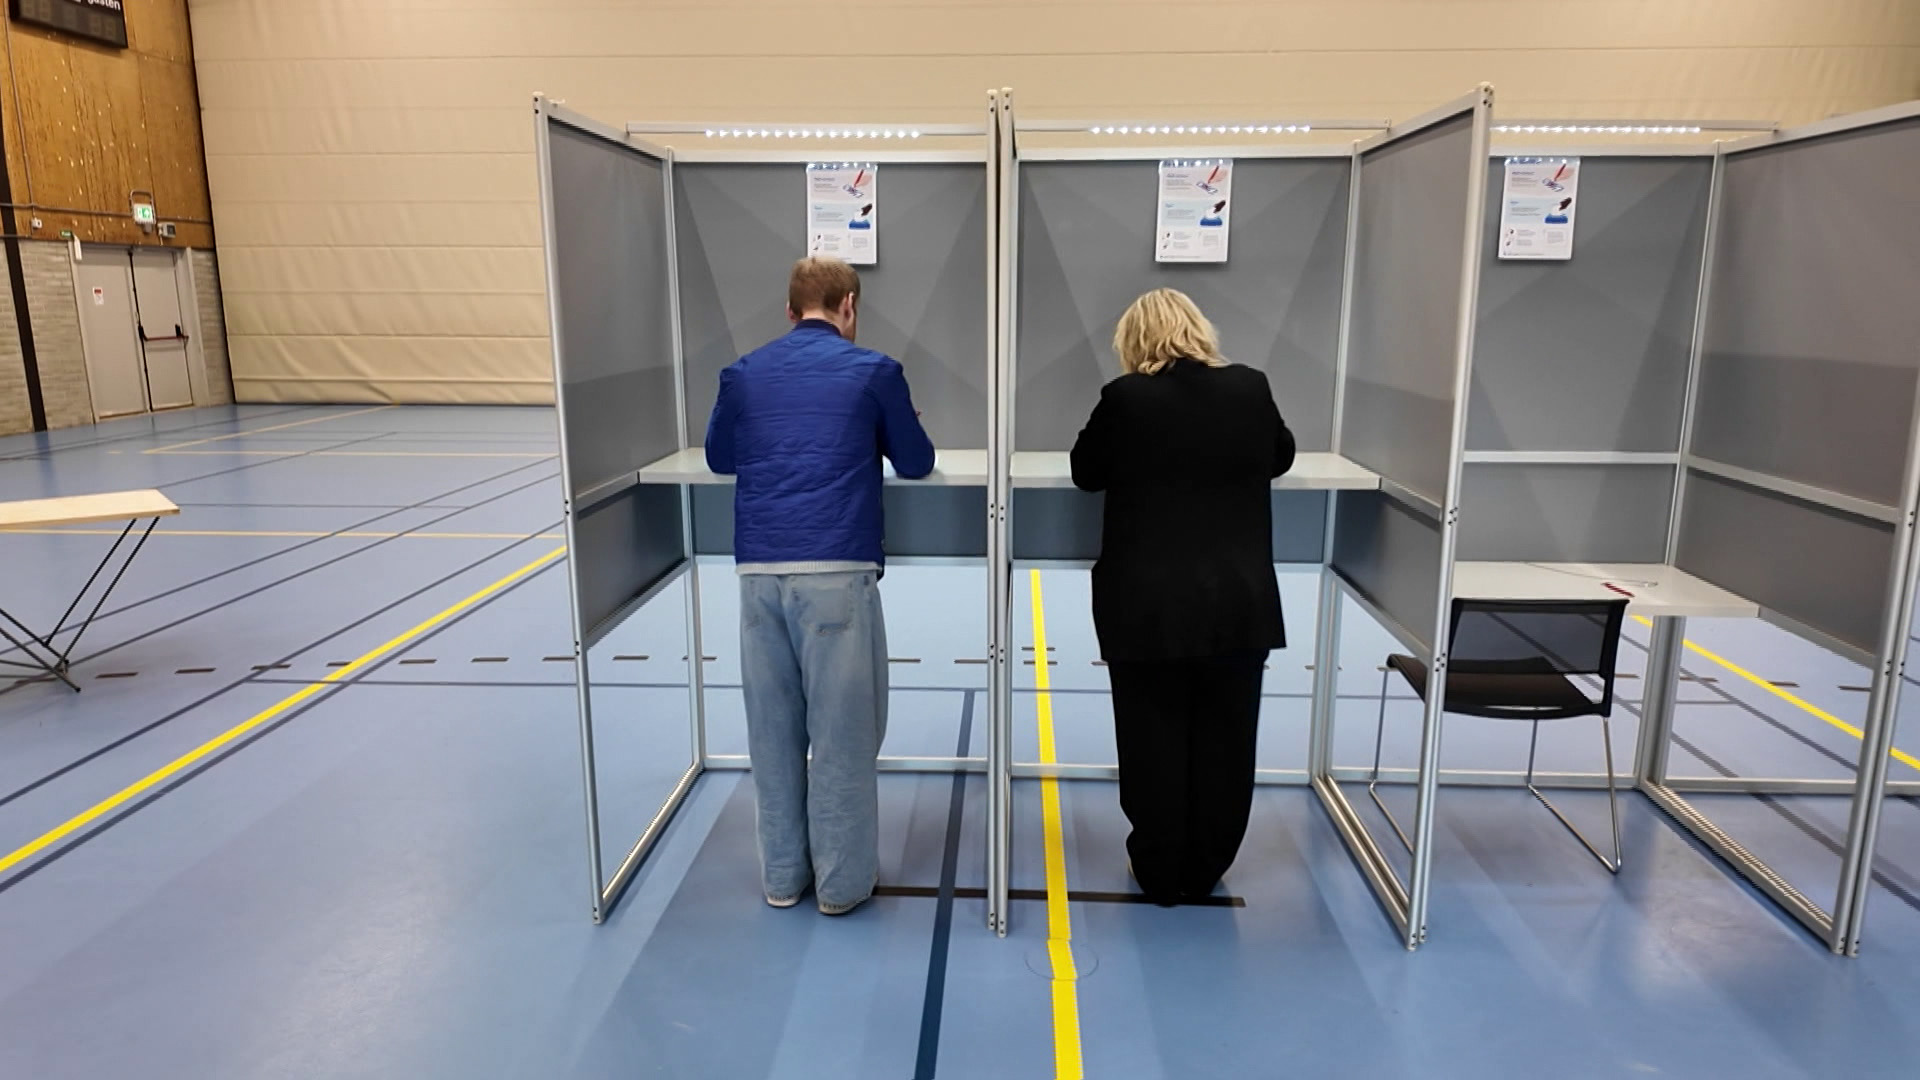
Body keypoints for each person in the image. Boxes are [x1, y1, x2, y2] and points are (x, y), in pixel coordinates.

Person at [705, 256, 936, 915]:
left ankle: (782, 880)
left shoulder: (742, 373)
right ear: (850, 308)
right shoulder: (875, 372)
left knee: (773, 737)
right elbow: (917, 461)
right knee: (842, 739)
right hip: (836, 570)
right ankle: (840, 887)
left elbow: (722, 455)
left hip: (759, 575)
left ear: (788, 311)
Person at [1069, 287, 1295, 906]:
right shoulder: (1251, 387)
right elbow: (1282, 455)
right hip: (1238, 604)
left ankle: (1159, 870)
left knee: (1152, 740)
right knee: (1226, 741)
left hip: (1147, 608)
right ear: (1200, 330)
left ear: (1134, 343)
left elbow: (1084, 471)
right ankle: (1207, 866)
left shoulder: (1125, 400)